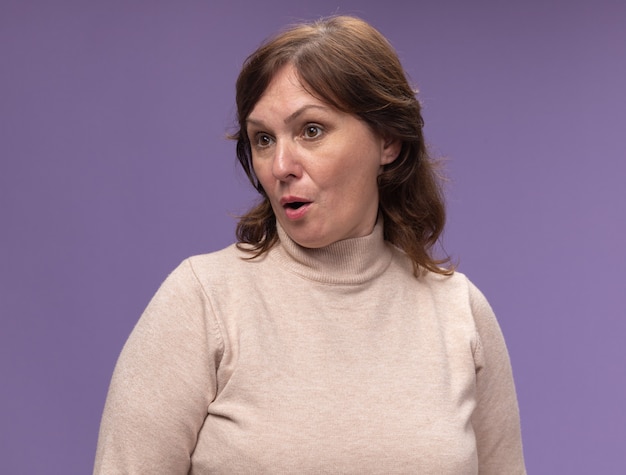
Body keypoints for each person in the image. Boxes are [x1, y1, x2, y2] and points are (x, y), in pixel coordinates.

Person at [94, 15, 526, 474]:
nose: (281, 164)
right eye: (263, 139)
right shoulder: (202, 302)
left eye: (311, 130)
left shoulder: (461, 313)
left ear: (390, 140)